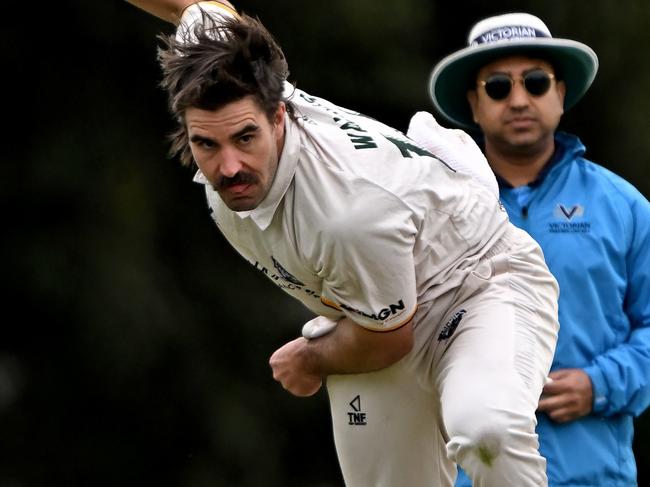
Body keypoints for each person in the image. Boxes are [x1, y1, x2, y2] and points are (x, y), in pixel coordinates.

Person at [125, 2, 561, 485]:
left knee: (485, 433)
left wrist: (309, 359)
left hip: (477, 287)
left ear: (278, 116)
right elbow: (201, 9)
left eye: (245, 138)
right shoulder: (235, 70)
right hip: (370, 312)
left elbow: (389, 339)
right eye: (206, 144)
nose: (229, 167)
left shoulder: (346, 212)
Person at [425, 12, 650, 487]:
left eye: (536, 82)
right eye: (499, 87)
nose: (520, 99)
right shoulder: (434, 212)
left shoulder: (626, 207)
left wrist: (599, 385)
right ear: (474, 102)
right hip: (469, 476)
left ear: (561, 94)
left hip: (596, 476)